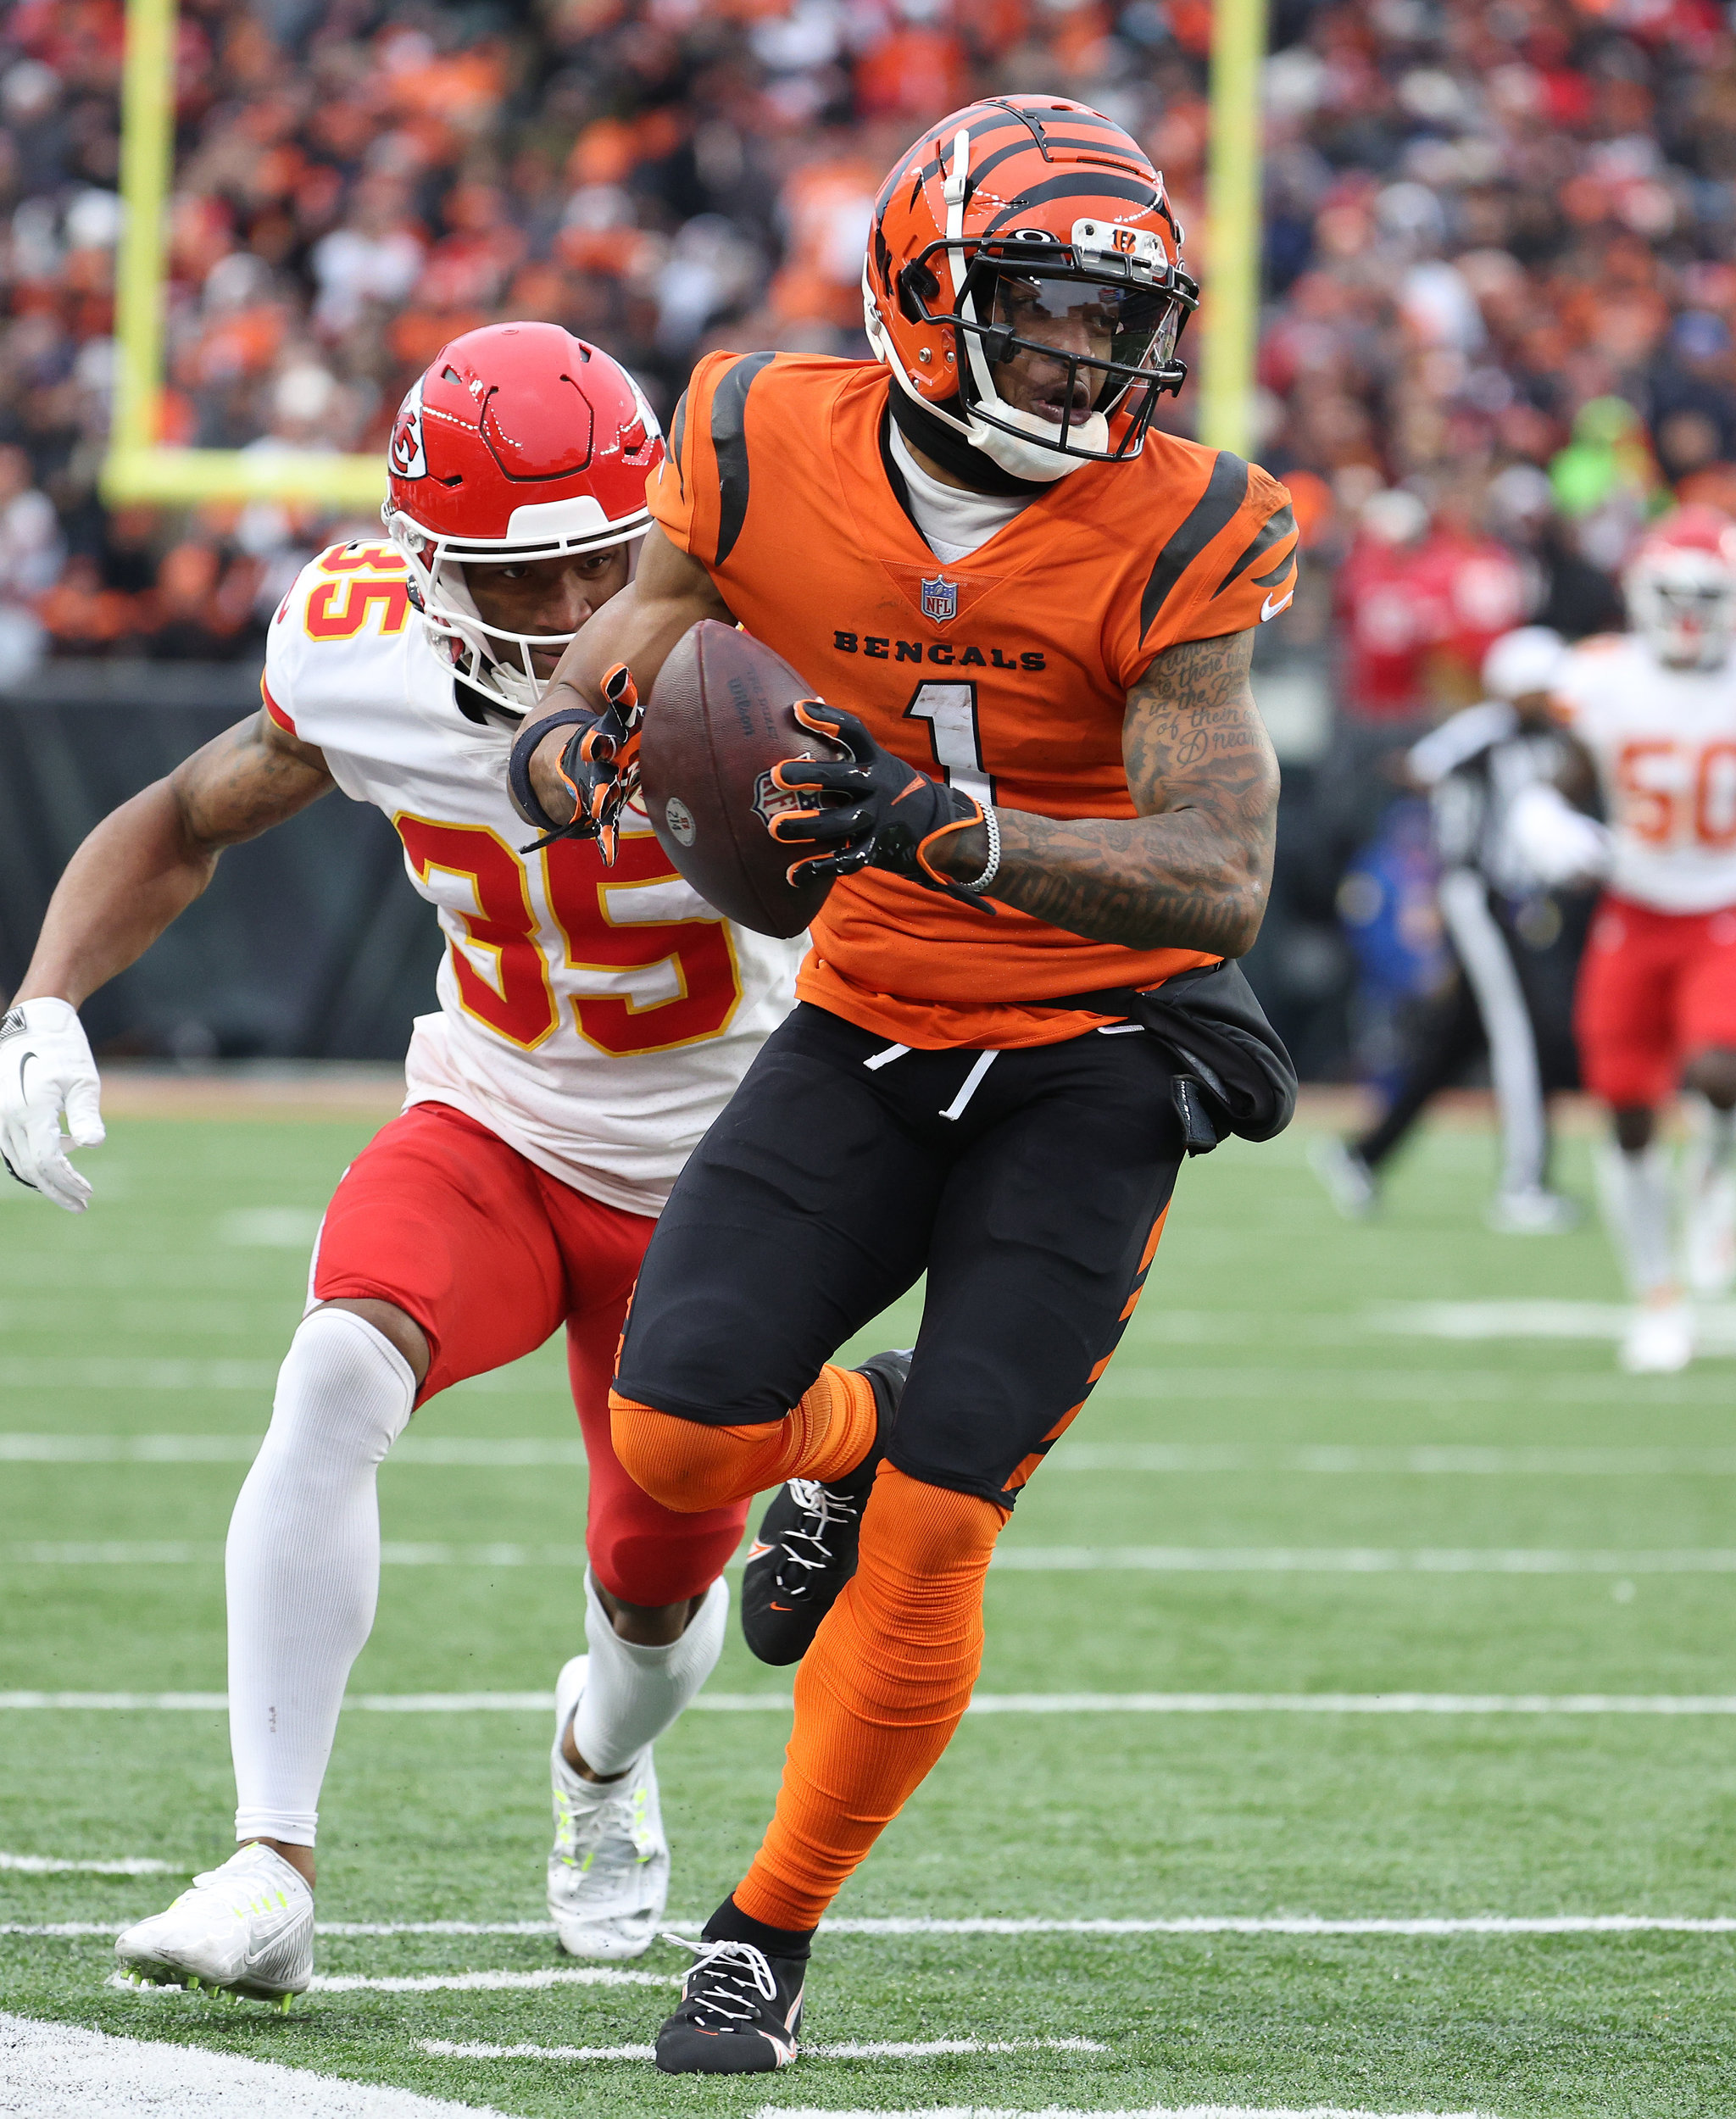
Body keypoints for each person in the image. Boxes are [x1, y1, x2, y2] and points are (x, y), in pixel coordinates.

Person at [509, 97, 1299, 2072]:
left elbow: (1218, 876)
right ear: (921, 297)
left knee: (950, 1523)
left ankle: (761, 1935)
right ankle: (844, 1442)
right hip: (862, 1023)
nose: (1082, 360)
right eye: (1037, 311)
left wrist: (962, 835)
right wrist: (566, 745)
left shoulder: (1192, 517)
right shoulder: (754, 431)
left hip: (1099, 1055)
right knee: (679, 1440)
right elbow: (642, 637)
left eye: (1115, 321)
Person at [0, 325, 806, 2001]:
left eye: (608, 562)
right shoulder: (362, 645)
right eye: (534, 582)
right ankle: (267, 1859)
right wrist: (46, 998)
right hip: (496, 1118)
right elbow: (185, 813)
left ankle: (594, 1758)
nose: (583, 615)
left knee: (654, 1609)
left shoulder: (761, 634)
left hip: (726, 1174)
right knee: (327, 1378)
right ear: (431, 568)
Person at [1311, 626, 1584, 1233]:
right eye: (1545, 689)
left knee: (1456, 1043)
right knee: (1523, 1033)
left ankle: (1361, 1155)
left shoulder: (1549, 736)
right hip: (1478, 894)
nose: (1556, 701)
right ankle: (1524, 1185)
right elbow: (1417, 765)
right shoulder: (1490, 729)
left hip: (1515, 899)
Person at [1548, 507, 1736, 1374]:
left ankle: (1717, 1187)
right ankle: (1655, 1293)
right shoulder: (1601, 675)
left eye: (1709, 596)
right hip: (1632, 906)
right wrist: (1540, 819)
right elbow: (1558, 774)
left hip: (1720, 908)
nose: (1692, 614)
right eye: (1677, 595)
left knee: (1716, 1070)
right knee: (1624, 1110)